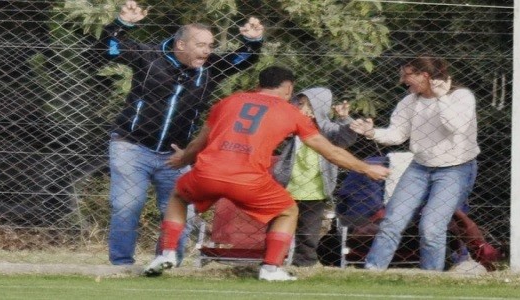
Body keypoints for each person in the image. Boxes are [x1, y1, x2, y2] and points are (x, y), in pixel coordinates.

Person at [142, 66, 390, 281]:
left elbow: (199, 143)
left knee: (178, 196)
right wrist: (366, 168)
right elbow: (330, 152)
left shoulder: (226, 102)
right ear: (289, 88)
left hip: (208, 173)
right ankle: (271, 267)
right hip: (248, 180)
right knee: (287, 210)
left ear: (258, 85)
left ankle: (167, 254)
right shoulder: (291, 113)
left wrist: (182, 159)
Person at [99, 0, 265, 266]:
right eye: (201, 45)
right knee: (126, 206)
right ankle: (121, 266)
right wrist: (122, 24)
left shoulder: (210, 69)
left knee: (181, 212)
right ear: (181, 45)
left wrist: (252, 42)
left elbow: (243, 59)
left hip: (177, 155)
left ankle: (167, 263)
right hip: (131, 147)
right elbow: (110, 49)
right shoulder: (148, 57)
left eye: (211, 46)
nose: (208, 51)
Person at [350, 56, 480, 271]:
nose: (403, 80)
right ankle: (372, 272)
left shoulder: (461, 97)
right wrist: (371, 133)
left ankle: (430, 278)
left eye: (407, 75)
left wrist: (441, 98)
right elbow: (397, 134)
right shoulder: (410, 101)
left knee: (431, 227)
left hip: (455, 169)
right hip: (419, 167)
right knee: (392, 221)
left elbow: (456, 127)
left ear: (425, 75)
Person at [272, 87, 357, 267]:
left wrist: (344, 119)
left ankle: (304, 263)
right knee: (278, 227)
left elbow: (346, 138)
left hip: (315, 190)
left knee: (308, 232)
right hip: (288, 187)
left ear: (318, 108)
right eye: (299, 103)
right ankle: (273, 260)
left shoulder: (328, 129)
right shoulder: (294, 125)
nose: (300, 107)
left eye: (306, 104)